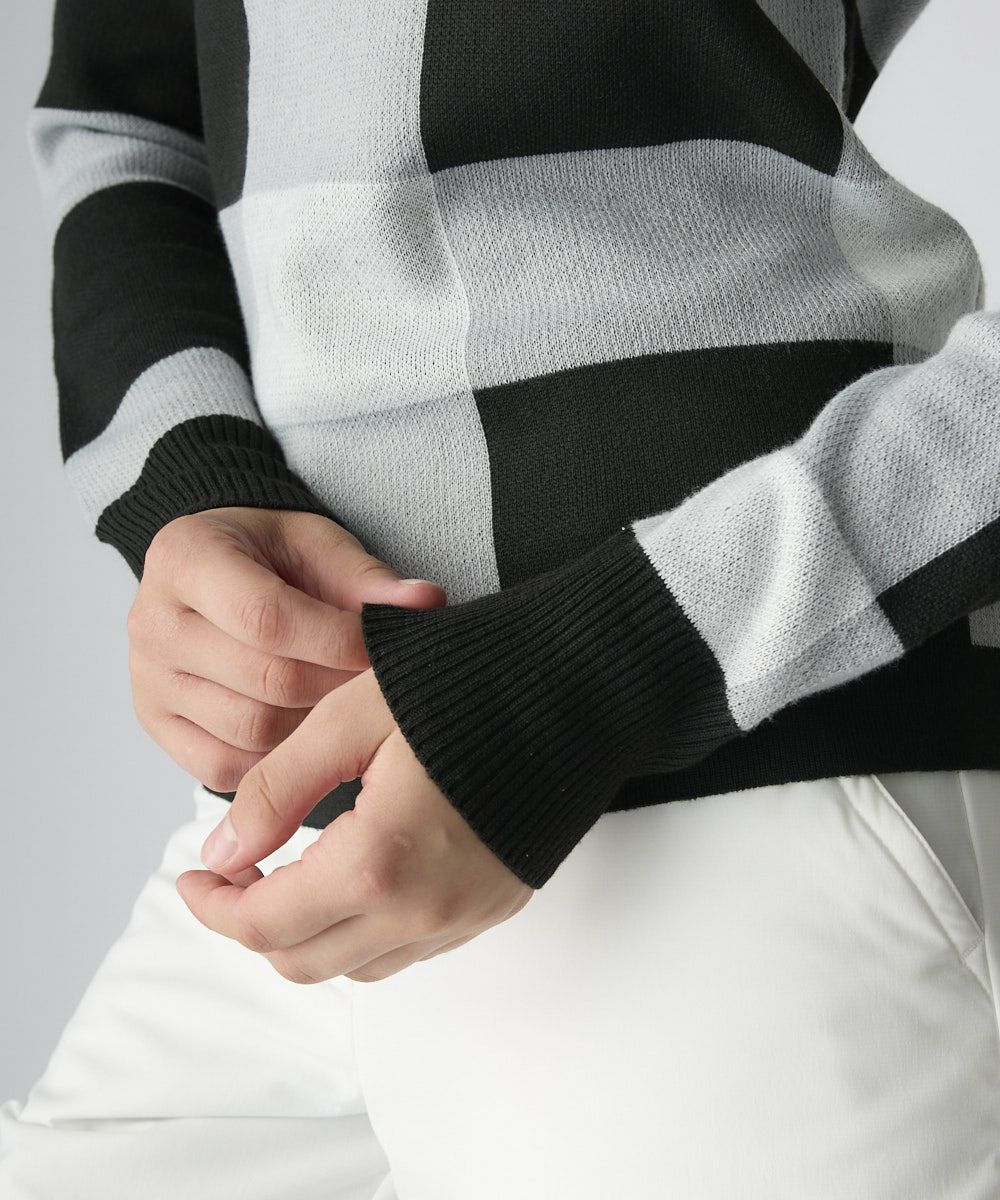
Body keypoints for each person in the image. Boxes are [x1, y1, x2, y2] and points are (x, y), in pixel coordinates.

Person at [3, 1, 1000, 1196]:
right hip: (311, 827)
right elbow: (125, 122)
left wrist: (598, 670)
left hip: (738, 764)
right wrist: (191, 484)